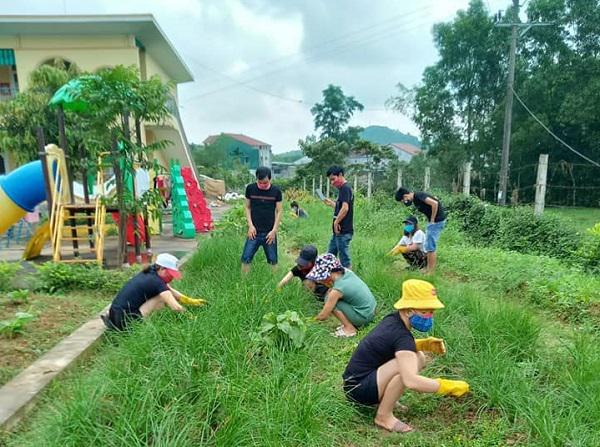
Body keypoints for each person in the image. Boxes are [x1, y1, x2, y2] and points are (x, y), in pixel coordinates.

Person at [342, 279, 470, 433]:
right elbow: (411, 381)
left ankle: (386, 400)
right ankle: (383, 416)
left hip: (356, 383)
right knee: (406, 368)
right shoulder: (401, 336)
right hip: (359, 389)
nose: (429, 317)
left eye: (431, 312)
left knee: (419, 356)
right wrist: (446, 386)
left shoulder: (393, 320)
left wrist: (422, 344)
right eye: (424, 312)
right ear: (408, 310)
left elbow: (393, 345)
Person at [102, 253, 188, 331]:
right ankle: (145, 327)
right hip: (126, 323)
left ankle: (116, 322)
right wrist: (190, 317)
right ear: (162, 269)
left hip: (115, 314)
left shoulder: (150, 272)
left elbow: (170, 290)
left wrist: (189, 300)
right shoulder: (156, 281)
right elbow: (175, 307)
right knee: (161, 297)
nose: (171, 277)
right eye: (170, 273)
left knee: (164, 295)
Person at [307, 253, 376, 337]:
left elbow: (324, 315)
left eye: (321, 278)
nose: (319, 281)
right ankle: (350, 323)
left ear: (329, 273)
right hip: (371, 310)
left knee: (328, 298)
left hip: (364, 317)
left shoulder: (338, 290)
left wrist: (310, 322)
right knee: (330, 293)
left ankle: (349, 329)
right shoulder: (347, 272)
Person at [395, 188, 447, 274]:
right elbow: (433, 200)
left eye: (403, 200)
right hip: (434, 222)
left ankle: (430, 271)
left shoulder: (418, 195)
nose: (404, 202)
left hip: (437, 221)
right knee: (428, 246)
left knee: (431, 247)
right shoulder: (416, 200)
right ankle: (427, 268)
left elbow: (435, 203)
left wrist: (432, 219)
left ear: (405, 196)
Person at [241, 167, 283, 273]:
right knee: (246, 258)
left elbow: (279, 211)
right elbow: (247, 207)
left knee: (273, 260)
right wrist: (250, 226)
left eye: (265, 183)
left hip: (269, 233)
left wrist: (274, 231)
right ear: (256, 179)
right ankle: (243, 284)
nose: (262, 185)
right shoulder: (250, 189)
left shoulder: (276, 191)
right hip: (254, 232)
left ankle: (274, 285)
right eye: (260, 183)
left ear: (270, 179)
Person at [322, 166, 354, 268]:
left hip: (343, 231)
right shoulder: (342, 189)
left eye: (333, 179)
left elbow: (345, 208)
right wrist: (331, 203)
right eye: (330, 180)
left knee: (344, 260)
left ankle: (350, 280)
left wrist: (336, 222)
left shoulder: (345, 188)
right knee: (330, 256)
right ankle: (325, 278)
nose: (332, 183)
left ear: (340, 175)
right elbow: (340, 207)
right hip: (338, 233)